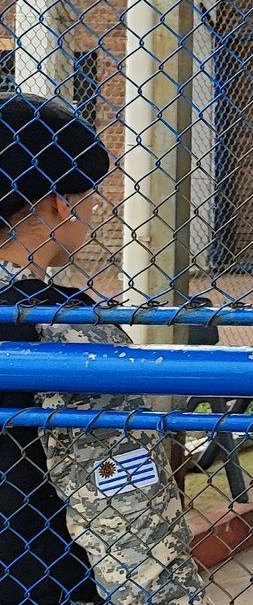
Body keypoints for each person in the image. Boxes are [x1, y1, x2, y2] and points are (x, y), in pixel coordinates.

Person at [0, 94, 206, 605]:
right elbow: (132, 527)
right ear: (59, 204)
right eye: (89, 194)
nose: (94, 206)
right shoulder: (64, 331)